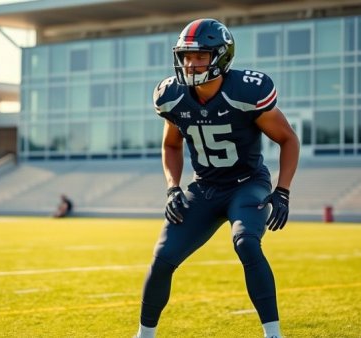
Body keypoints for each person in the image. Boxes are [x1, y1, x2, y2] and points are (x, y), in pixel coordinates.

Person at [135, 18, 300, 338]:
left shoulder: (246, 91)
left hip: (247, 184)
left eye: (200, 56)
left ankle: (274, 334)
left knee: (247, 243)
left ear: (221, 57)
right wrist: (172, 188)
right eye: (186, 56)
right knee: (163, 257)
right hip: (204, 187)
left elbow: (288, 139)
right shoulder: (173, 95)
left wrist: (283, 190)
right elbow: (171, 144)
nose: (191, 64)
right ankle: (144, 335)